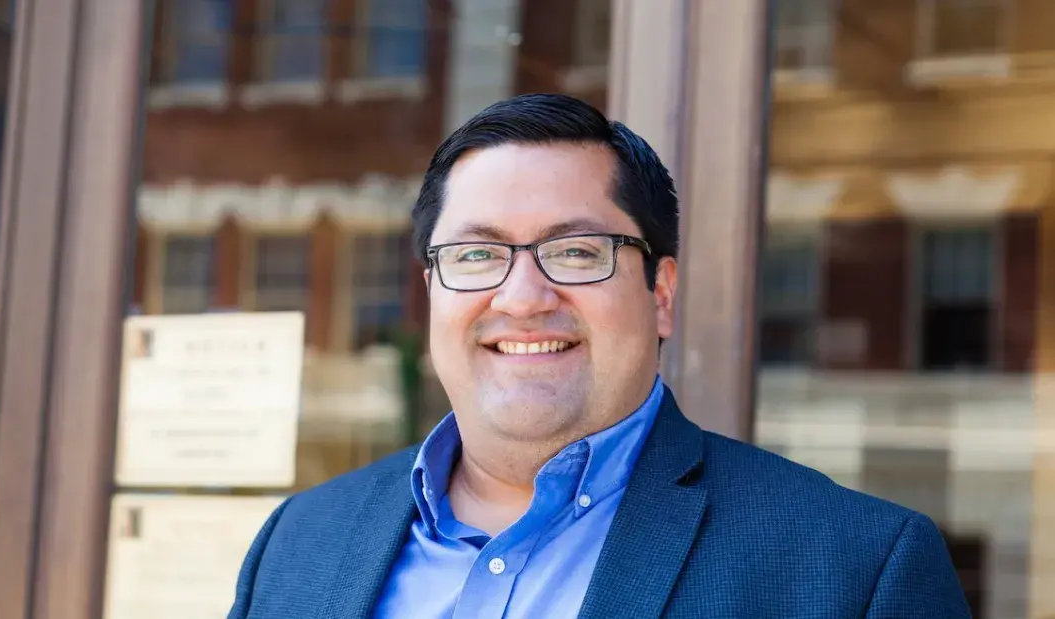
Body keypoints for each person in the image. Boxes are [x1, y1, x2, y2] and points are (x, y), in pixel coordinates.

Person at [227, 94, 971, 618]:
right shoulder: (298, 541)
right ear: (432, 290)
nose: (521, 297)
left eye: (577, 251)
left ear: (662, 293)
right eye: (478, 253)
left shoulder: (853, 569)